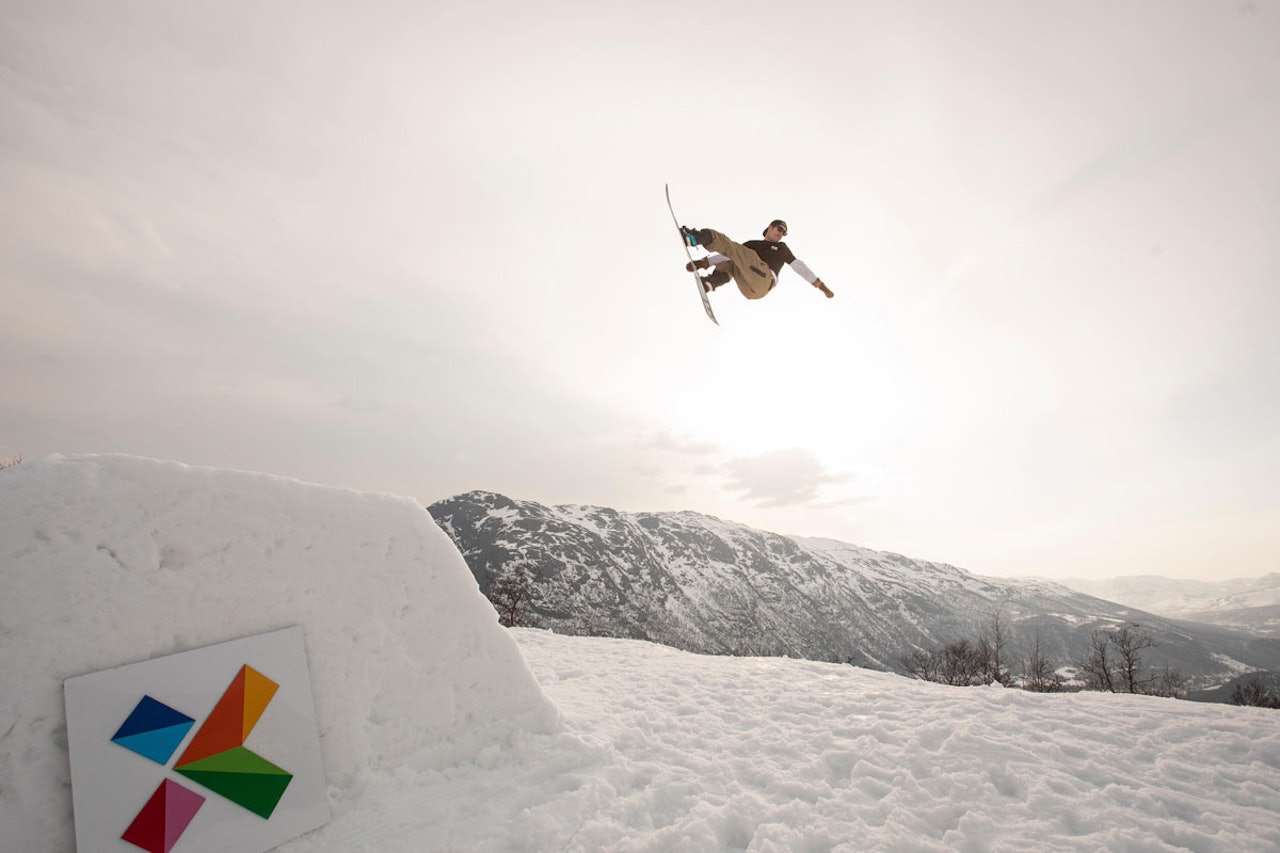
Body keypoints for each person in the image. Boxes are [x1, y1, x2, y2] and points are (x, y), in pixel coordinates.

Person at [681, 220, 834, 300]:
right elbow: (729, 254)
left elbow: (799, 267)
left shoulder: (781, 248)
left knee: (731, 246)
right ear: (770, 227)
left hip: (765, 279)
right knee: (732, 259)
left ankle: (695, 238)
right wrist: (703, 263)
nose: (781, 234)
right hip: (751, 291)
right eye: (779, 229)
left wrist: (820, 286)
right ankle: (711, 283)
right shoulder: (753, 245)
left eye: (784, 233)